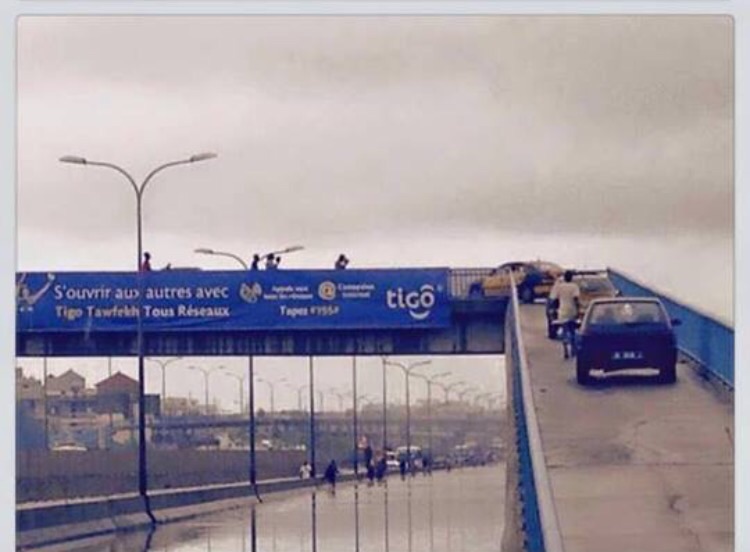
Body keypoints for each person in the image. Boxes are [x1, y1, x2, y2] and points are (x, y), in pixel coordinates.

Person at [549, 270, 581, 359]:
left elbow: (554, 298)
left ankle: (565, 350)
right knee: (572, 330)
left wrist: (552, 311)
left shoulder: (560, 287)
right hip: (572, 311)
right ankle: (573, 350)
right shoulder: (574, 287)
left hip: (562, 311)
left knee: (564, 331)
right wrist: (578, 310)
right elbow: (576, 299)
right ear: (571, 278)